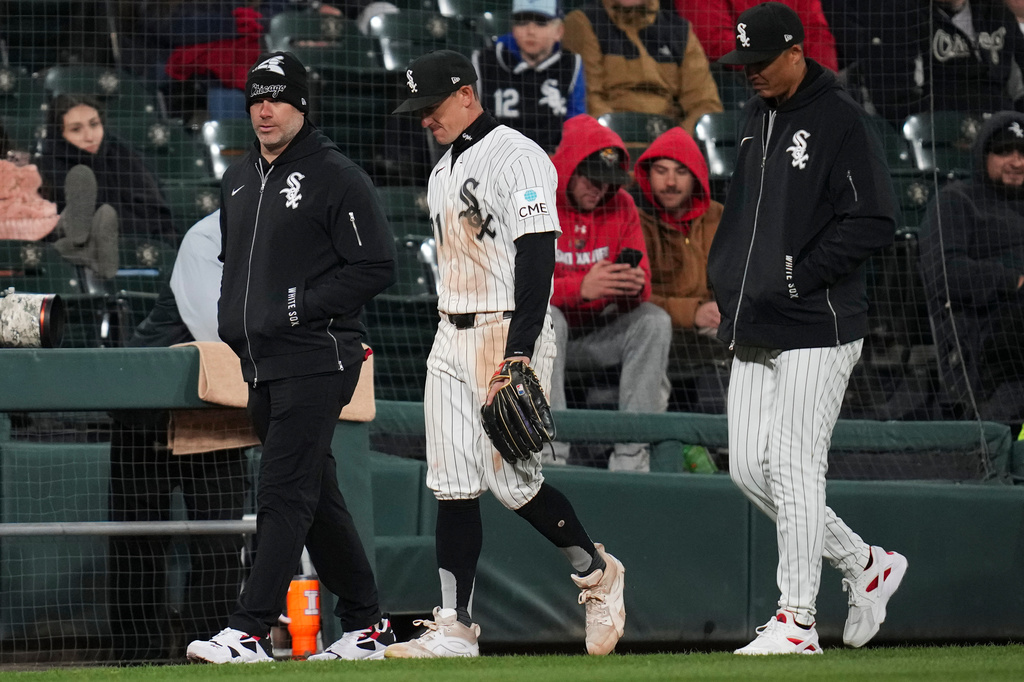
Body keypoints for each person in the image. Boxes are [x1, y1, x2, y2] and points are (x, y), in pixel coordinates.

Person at [385, 49, 625, 658]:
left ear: (467, 94)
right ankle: (455, 625)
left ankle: (598, 574)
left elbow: (539, 253)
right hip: (450, 332)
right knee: (452, 484)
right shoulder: (443, 168)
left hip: (505, 330)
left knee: (513, 484)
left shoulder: (516, 154)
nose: (424, 120)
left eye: (431, 106)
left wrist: (518, 353)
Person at [706, 3, 907, 654]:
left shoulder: (841, 118)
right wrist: (733, 279)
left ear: (796, 51)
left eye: (760, 63)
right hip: (755, 318)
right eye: (742, 65)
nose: (750, 75)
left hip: (818, 323)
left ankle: (796, 620)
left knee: (793, 467)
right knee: (747, 470)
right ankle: (863, 563)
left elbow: (875, 220)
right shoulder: (756, 111)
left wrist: (799, 276)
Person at [186, 51, 398, 664]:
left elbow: (377, 265)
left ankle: (248, 630)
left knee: (281, 491)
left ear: (302, 105)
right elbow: (235, 269)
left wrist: (300, 306)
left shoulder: (337, 175)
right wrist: (237, 321)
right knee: (317, 500)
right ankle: (367, 627)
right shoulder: (237, 178)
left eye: (276, 98)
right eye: (255, 99)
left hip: (319, 356)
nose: (263, 109)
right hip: (259, 362)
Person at [108, 210, 250, 662]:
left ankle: (209, 650)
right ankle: (138, 657)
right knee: (138, 544)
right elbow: (222, 328)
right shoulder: (205, 236)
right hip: (147, 415)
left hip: (216, 419)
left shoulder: (283, 235)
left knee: (219, 543)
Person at [548, 113, 671, 472]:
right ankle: (550, 455)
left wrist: (633, 289)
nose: (599, 190)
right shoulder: (538, 201)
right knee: (547, 318)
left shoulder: (622, 206)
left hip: (601, 335)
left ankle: (631, 459)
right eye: (591, 180)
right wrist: (579, 288)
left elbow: (643, 281)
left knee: (654, 320)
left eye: (607, 183)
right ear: (570, 167)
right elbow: (513, 286)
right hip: (548, 341)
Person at [919, 111, 1024, 426]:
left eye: (1023, 153)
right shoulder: (956, 201)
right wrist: (1014, 280)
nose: (1016, 162)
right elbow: (943, 273)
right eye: (1004, 151)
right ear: (983, 155)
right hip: (986, 333)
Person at [633, 126, 727, 413]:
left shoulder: (717, 215)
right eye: (661, 171)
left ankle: (739, 445)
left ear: (696, 176)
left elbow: (739, 275)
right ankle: (643, 447)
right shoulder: (633, 218)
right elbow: (632, 297)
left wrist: (719, 307)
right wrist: (693, 311)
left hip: (711, 324)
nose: (670, 182)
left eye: (681, 172)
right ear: (648, 173)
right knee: (652, 325)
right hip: (656, 327)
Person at [561, 0, 723, 133]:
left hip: (670, 147)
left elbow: (704, 103)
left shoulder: (680, 31)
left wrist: (676, 145)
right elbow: (589, 98)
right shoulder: (583, 22)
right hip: (611, 142)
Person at [36, 94, 178, 244]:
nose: (89, 136)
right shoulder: (45, 171)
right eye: (76, 129)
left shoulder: (124, 158)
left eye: (94, 124)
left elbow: (160, 219)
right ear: (59, 134)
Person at [471, 0, 586, 153]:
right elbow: (469, 123)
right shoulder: (484, 61)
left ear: (559, 31)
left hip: (552, 161)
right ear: (513, 27)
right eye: (522, 22)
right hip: (496, 159)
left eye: (541, 22)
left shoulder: (571, 65)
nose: (530, 30)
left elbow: (576, 125)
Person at [675, 0, 838, 72]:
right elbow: (715, 42)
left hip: (796, 74)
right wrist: (780, 64)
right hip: (741, 82)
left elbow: (816, 32)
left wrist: (818, 77)